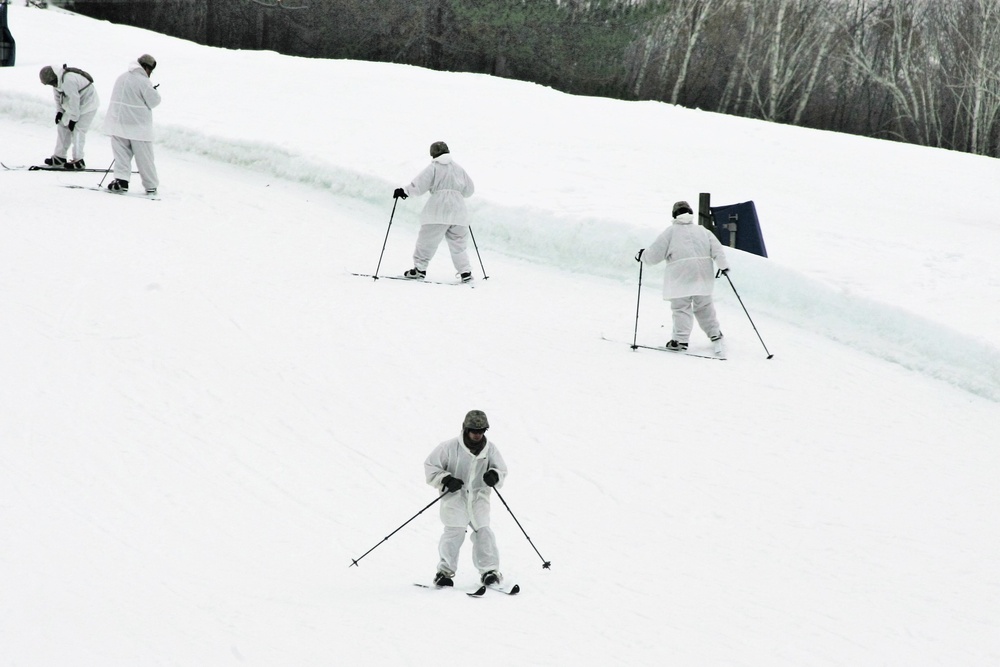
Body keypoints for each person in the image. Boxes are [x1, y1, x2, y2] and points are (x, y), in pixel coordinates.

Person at [424, 409, 507, 587]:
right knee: (453, 534)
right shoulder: (448, 447)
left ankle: (490, 571)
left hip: (479, 499)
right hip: (455, 499)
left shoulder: (490, 449)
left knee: (484, 533)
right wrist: (445, 479)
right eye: (473, 430)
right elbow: (431, 467)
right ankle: (444, 573)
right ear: (465, 428)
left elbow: (501, 470)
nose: (477, 434)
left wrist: (494, 475)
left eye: (481, 431)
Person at [637, 200, 730, 351]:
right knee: (704, 306)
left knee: (681, 307)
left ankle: (680, 341)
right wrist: (723, 266)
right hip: (703, 275)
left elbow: (655, 254)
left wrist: (642, 256)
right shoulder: (703, 231)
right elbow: (717, 250)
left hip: (681, 276)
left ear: (674, 215)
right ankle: (715, 334)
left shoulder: (671, 232)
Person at [393, 141, 476, 282]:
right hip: (458, 212)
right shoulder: (459, 169)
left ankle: (419, 270)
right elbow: (469, 191)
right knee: (459, 244)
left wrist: (405, 191)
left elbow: (420, 184)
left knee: (426, 241)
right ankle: (465, 272)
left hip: (437, 210)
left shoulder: (434, 167)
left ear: (433, 154)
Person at [102, 54, 161, 194]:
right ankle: (151, 185)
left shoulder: (122, 77)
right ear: (146, 67)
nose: (150, 74)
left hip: (118, 124)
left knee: (121, 155)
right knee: (144, 158)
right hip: (138, 127)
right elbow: (154, 102)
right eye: (150, 70)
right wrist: (154, 91)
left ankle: (121, 180)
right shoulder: (143, 81)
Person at [38, 64, 100, 170]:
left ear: (54, 77)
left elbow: (74, 100)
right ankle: (59, 157)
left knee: (78, 130)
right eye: (50, 84)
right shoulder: (57, 82)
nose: (52, 85)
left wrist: (73, 119)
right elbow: (58, 98)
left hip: (88, 105)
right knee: (62, 126)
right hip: (74, 105)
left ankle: (78, 160)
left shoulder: (68, 80)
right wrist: (59, 112)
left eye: (52, 82)